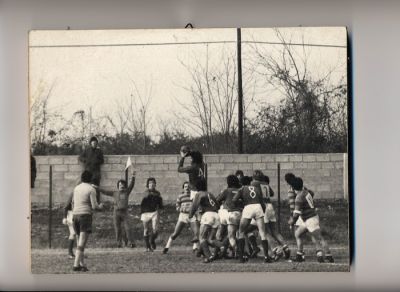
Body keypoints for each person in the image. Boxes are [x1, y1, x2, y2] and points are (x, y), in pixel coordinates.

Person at [289, 176, 334, 263]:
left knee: (319, 238)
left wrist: (292, 222)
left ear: (293, 187)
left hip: (310, 219)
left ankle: (329, 256)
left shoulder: (299, 197)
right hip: (308, 219)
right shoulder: (306, 192)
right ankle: (299, 255)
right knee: (298, 234)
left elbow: (296, 214)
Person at [232, 170, 273, 263]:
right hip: (258, 207)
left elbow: (234, 200)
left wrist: (242, 203)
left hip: (248, 207)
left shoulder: (242, 189)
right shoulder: (257, 189)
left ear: (242, 183)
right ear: (250, 182)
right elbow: (262, 202)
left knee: (241, 231)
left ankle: (241, 257)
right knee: (262, 233)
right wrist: (262, 211)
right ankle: (267, 257)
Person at [71, 170, 104, 272]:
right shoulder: (91, 189)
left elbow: (72, 203)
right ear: (91, 179)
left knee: (78, 242)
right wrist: (101, 206)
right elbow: (94, 206)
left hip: (75, 215)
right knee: (82, 243)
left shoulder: (76, 188)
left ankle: (81, 264)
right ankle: (76, 265)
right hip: (85, 216)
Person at [95, 172, 137, 248]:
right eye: (120, 185)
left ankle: (131, 243)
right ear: (118, 186)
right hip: (116, 213)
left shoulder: (127, 192)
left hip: (125, 213)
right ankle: (119, 243)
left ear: (125, 186)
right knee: (118, 229)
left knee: (128, 228)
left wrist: (133, 176)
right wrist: (96, 188)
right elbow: (105, 191)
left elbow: (131, 185)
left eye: (123, 185)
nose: (122, 186)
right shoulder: (114, 193)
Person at [189, 178, 221, 263]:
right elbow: (217, 205)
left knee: (201, 238)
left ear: (197, 186)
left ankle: (209, 256)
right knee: (210, 239)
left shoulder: (199, 194)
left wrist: (190, 215)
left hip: (208, 215)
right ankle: (223, 246)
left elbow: (194, 206)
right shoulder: (210, 193)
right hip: (216, 215)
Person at [163, 181, 200, 254]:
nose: (187, 188)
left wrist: (193, 211)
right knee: (176, 233)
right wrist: (182, 209)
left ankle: (195, 247)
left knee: (197, 232)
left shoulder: (194, 196)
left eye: (188, 187)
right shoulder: (180, 196)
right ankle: (167, 247)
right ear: (183, 188)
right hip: (183, 215)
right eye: (185, 187)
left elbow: (197, 205)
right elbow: (177, 206)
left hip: (192, 216)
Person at [216, 175, 242, 259]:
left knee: (224, 235)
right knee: (236, 234)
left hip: (229, 213)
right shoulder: (240, 190)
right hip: (240, 214)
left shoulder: (227, 191)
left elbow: (217, 200)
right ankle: (226, 251)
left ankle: (236, 251)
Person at [140, 177, 163, 251]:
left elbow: (160, 202)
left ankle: (152, 240)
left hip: (154, 212)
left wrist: (161, 208)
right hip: (145, 212)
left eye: (153, 183)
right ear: (147, 185)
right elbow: (146, 197)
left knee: (155, 230)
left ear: (155, 184)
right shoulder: (145, 192)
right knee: (146, 229)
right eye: (150, 183)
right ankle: (147, 247)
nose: (151, 184)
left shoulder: (158, 193)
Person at [79, 136, 104, 203]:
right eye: (93, 143)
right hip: (88, 173)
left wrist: (95, 161)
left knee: (96, 188)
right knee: (87, 188)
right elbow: (80, 157)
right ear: (91, 143)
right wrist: (86, 160)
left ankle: (97, 203)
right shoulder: (86, 150)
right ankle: (88, 202)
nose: (94, 144)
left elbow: (102, 161)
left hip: (96, 173)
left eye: (96, 143)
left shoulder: (99, 151)